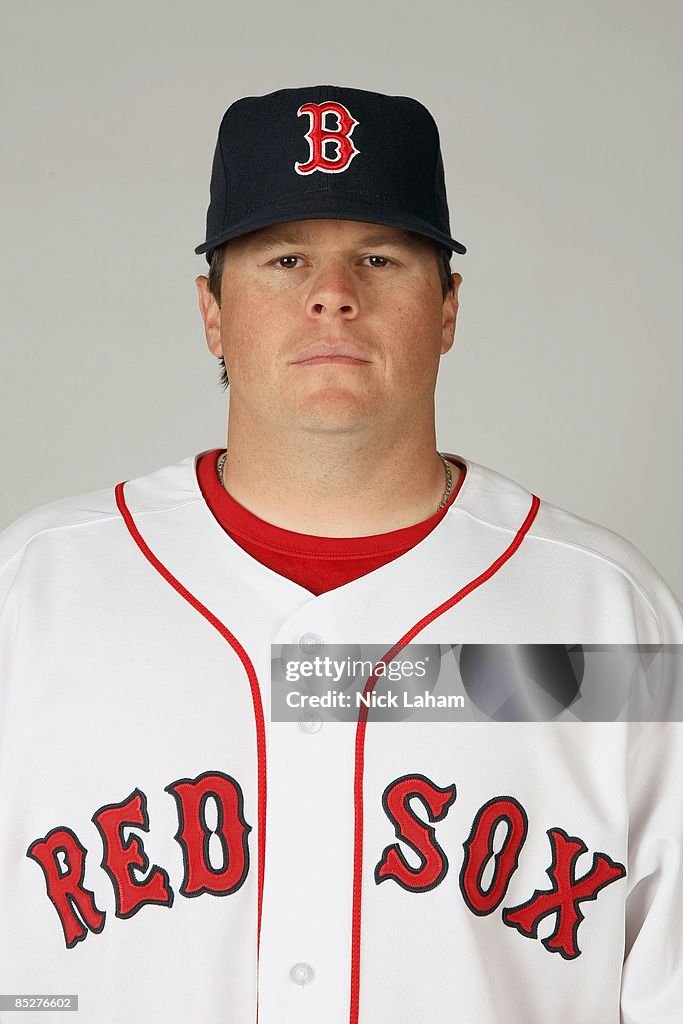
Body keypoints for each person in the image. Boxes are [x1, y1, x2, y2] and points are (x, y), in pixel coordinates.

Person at [0, 85, 680, 1024]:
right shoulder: (34, 592)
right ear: (211, 310)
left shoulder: (607, 617)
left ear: (446, 308)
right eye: (284, 259)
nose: (333, 294)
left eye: (378, 256)